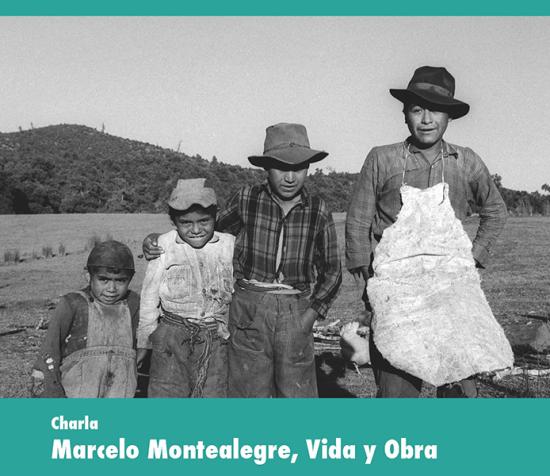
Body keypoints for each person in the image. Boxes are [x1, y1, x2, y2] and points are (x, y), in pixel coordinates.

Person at [345, 66, 511, 398]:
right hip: (397, 292)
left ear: (449, 115)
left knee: (459, 386)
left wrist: (472, 258)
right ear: (405, 113)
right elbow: (358, 221)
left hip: (452, 291)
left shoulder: (466, 162)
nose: (426, 119)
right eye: (417, 109)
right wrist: (372, 285)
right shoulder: (382, 159)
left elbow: (496, 211)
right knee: (397, 389)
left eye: (435, 109)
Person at [144, 123, 342, 397]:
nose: (290, 177)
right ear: (266, 168)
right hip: (249, 305)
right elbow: (204, 233)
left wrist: (310, 316)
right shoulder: (248, 199)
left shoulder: (318, 209)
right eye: (281, 167)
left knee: (297, 392)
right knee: (248, 388)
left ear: (308, 167)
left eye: (298, 168)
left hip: (296, 307)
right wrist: (160, 240)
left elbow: (332, 270)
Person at [137, 178, 234, 398]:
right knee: (167, 395)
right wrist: (144, 342)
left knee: (213, 395)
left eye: (204, 221)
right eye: (186, 223)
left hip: (216, 337)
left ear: (216, 216)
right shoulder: (163, 246)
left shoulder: (229, 245)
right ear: (174, 221)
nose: (196, 229)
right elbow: (149, 298)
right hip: (171, 338)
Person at [31, 241, 139, 398]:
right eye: (104, 280)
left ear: (130, 279)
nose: (112, 289)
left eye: (120, 280)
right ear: (88, 275)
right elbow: (49, 351)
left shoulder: (133, 303)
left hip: (121, 392)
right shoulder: (73, 304)